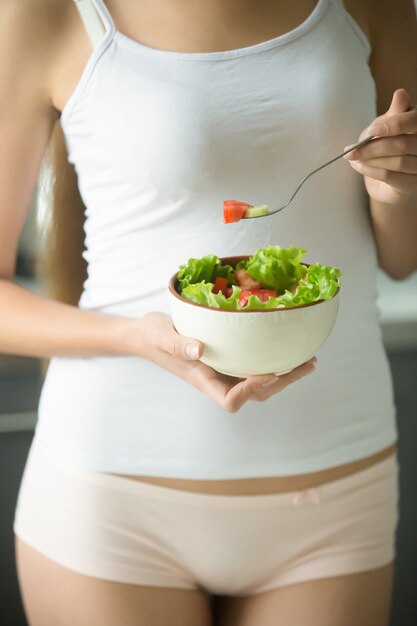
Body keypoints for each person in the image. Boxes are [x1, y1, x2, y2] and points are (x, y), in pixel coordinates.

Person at [1, 0, 416, 624]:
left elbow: (402, 259)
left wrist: (395, 188)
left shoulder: (377, 7)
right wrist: (134, 337)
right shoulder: (42, 11)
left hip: (333, 496)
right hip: (113, 500)